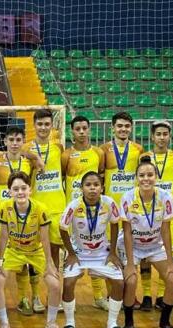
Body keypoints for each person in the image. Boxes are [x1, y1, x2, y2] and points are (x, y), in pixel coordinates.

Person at [0, 171, 62, 328]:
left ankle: (51, 323)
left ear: (30, 190)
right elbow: (3, 235)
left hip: (35, 251)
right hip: (14, 250)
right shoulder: (4, 207)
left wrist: (49, 263)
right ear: (9, 191)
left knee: (55, 284)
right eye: (15, 189)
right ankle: (4, 324)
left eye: (23, 188)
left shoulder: (40, 209)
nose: (20, 192)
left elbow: (45, 238)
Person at [59, 171, 126, 328]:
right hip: (79, 253)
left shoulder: (109, 203)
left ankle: (112, 324)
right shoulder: (74, 206)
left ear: (102, 187)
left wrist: (112, 252)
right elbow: (62, 228)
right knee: (68, 284)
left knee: (119, 282)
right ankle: (69, 323)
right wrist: (71, 253)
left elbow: (115, 224)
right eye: (88, 185)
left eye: (96, 185)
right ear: (81, 188)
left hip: (101, 253)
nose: (92, 188)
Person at [119, 158, 173, 328]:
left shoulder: (166, 197)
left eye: (150, 175)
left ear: (156, 177)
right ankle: (129, 323)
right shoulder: (128, 197)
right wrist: (130, 263)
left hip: (155, 245)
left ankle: (164, 321)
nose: (146, 179)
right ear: (136, 178)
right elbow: (127, 232)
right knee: (130, 280)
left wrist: (170, 261)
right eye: (142, 175)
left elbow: (166, 230)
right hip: (134, 246)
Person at [0, 125, 43, 316]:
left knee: (27, 261)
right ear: (5, 141)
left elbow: (32, 183)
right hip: (1, 219)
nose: (15, 143)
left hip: (24, 218)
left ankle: (29, 297)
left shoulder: (29, 161)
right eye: (11, 139)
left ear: (23, 142)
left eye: (19, 139)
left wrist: (35, 157)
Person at [61, 115, 108, 310]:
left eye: (84, 128)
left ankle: (98, 297)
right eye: (77, 128)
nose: (81, 131)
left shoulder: (98, 153)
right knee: (69, 254)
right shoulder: (66, 155)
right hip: (74, 211)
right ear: (72, 131)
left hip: (95, 212)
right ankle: (66, 300)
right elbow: (62, 179)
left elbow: (101, 176)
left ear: (89, 130)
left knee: (96, 251)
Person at [139, 120, 173, 311]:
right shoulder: (144, 157)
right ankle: (147, 294)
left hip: (168, 213)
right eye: (158, 134)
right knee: (146, 256)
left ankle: (163, 295)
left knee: (169, 253)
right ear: (152, 137)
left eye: (165, 134)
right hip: (148, 211)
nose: (162, 137)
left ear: (169, 137)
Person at [25, 109, 65, 272]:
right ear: (34, 125)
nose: (43, 127)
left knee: (55, 249)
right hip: (35, 206)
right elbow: (15, 152)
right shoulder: (25, 148)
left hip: (56, 206)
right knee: (33, 250)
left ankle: (53, 290)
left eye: (47, 124)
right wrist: (34, 157)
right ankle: (35, 293)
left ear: (52, 126)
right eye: (40, 124)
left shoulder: (58, 147)